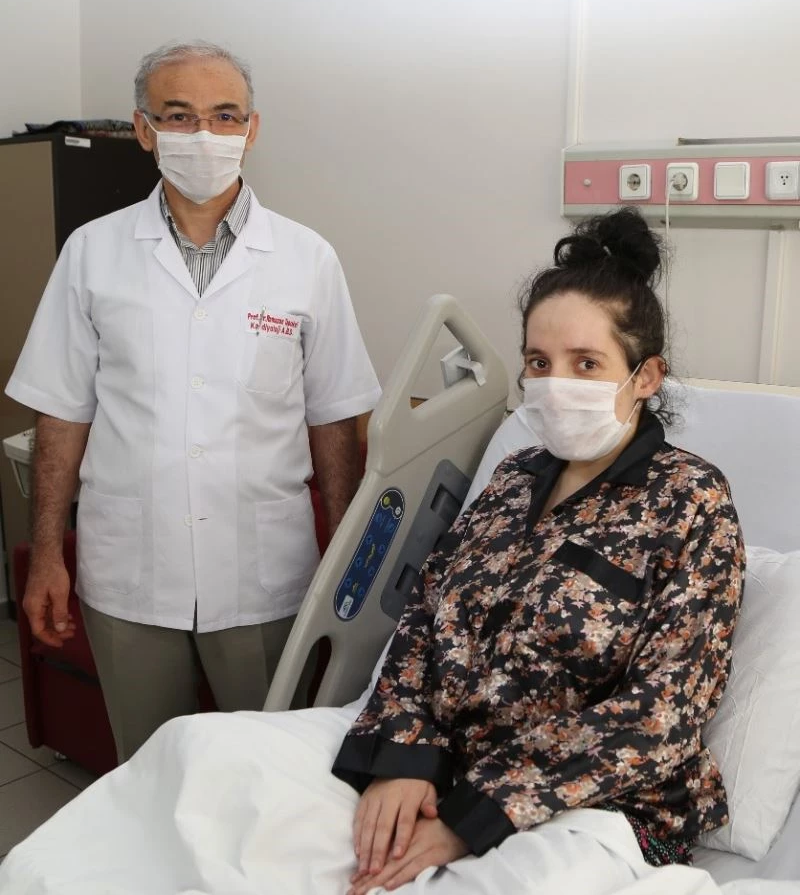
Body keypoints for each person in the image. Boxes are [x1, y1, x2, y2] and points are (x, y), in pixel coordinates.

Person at [0, 209, 744, 895]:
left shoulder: (689, 501)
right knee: (201, 760)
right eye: (539, 362)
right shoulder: (515, 477)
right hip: (443, 762)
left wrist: (477, 814)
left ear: (646, 376)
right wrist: (405, 757)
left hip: (591, 804)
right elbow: (423, 620)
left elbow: (661, 715)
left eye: (586, 364)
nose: (555, 386)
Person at [5, 41, 381, 762]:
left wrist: (342, 551)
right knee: (151, 767)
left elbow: (335, 416)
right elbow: (60, 413)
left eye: (225, 115)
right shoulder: (92, 251)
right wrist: (47, 552)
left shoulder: (307, 258)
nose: (204, 134)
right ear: (143, 130)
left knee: (269, 769)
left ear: (252, 128)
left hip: (265, 572)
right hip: (130, 571)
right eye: (179, 116)